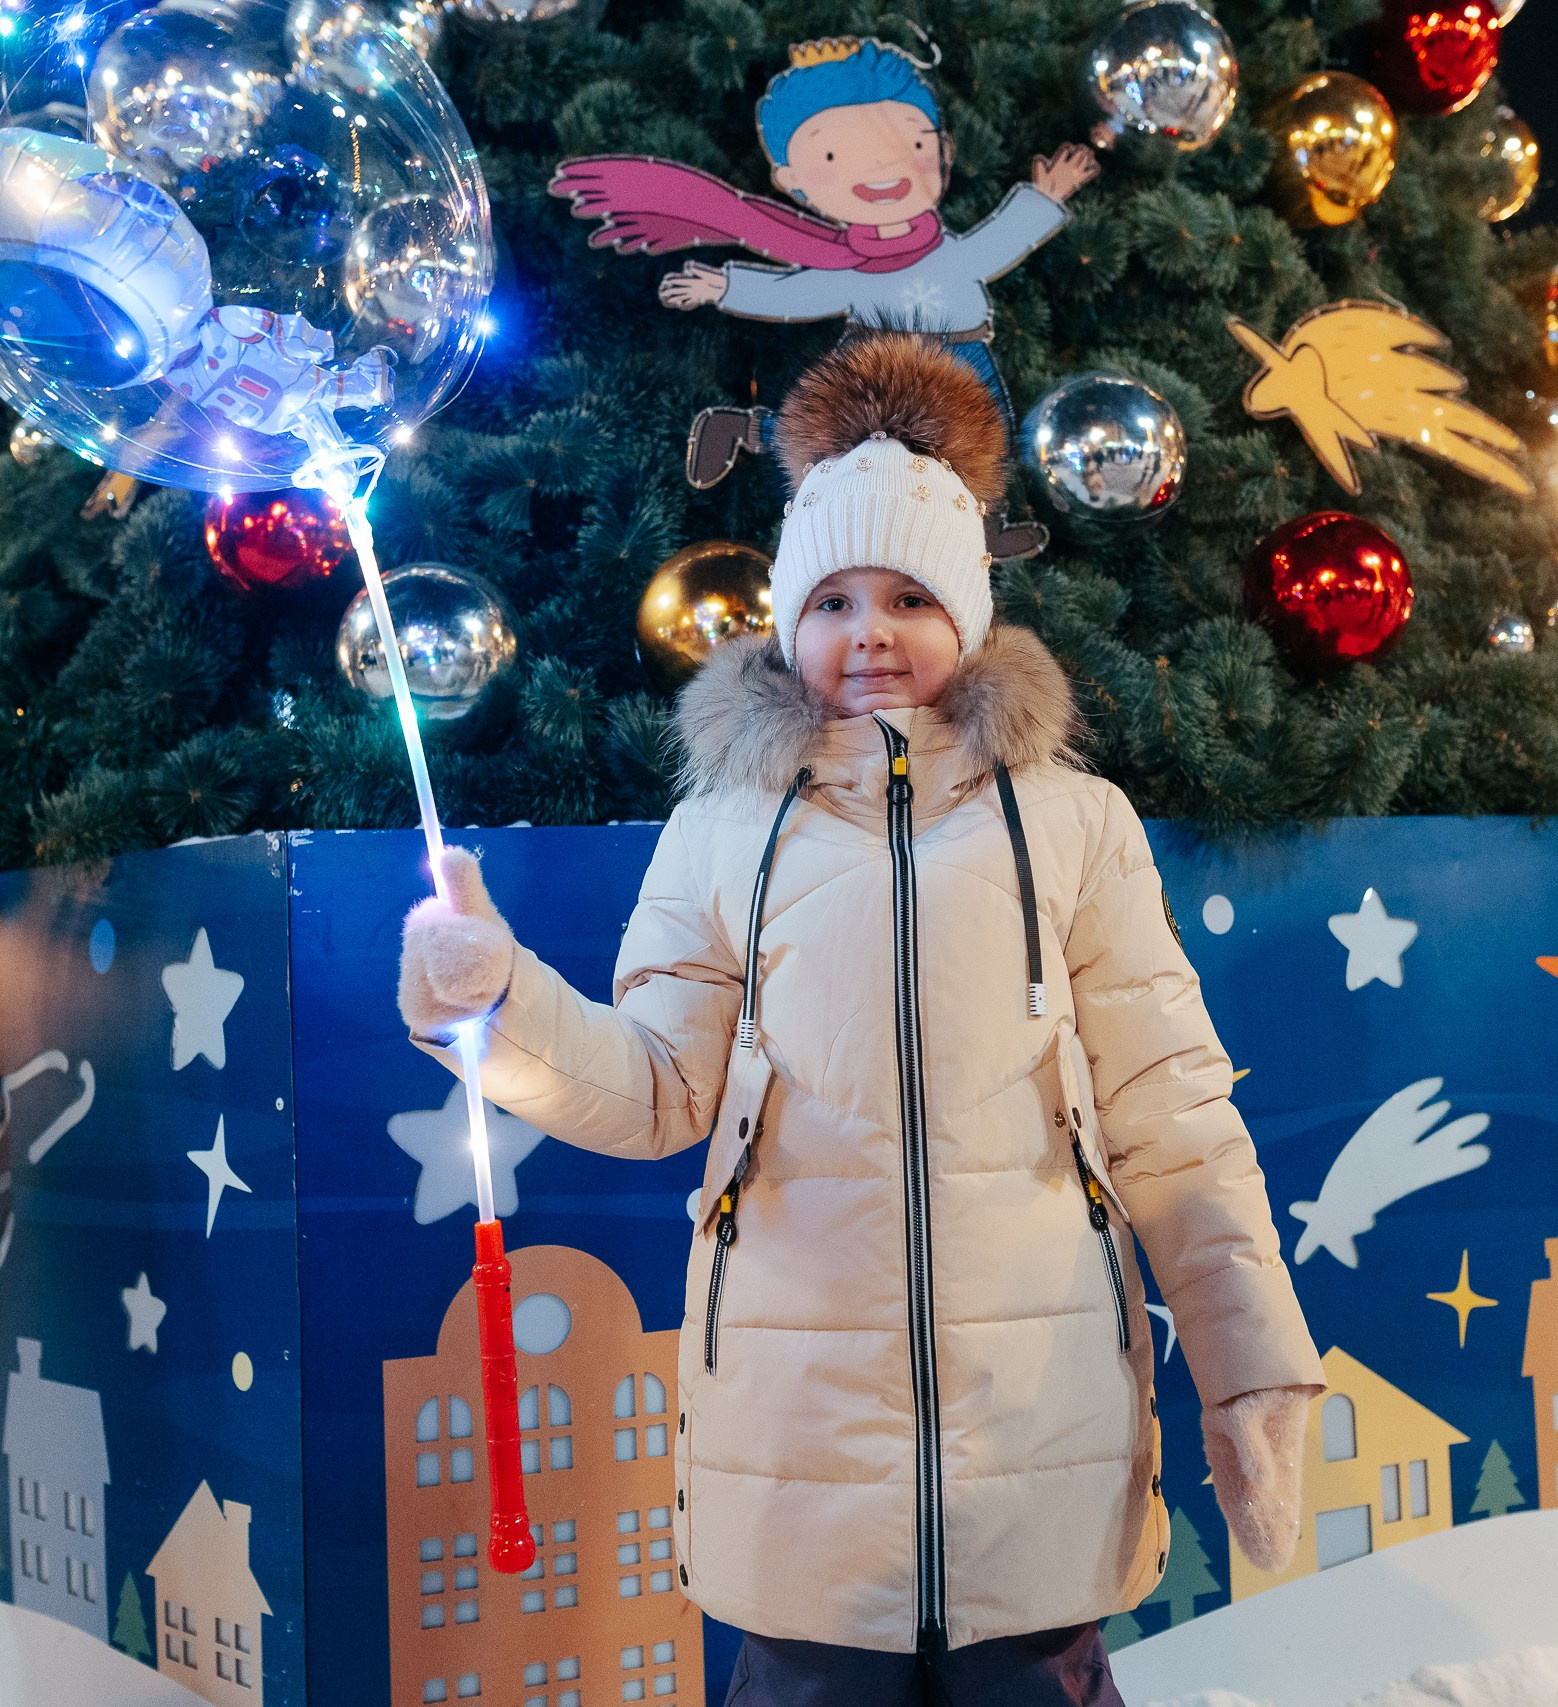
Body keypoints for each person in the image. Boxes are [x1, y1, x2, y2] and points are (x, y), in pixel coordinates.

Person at [396, 336, 1321, 1704]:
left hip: (1039, 1442)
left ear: (968, 612)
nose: (869, 632)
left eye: (905, 595)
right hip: (797, 1465)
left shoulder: (1072, 825)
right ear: (785, 621)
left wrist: (1251, 1369)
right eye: (830, 599)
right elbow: (653, 1089)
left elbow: (1175, 1120)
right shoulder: (721, 832)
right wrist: (497, 996)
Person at [550, 37, 1098, 558]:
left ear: (943, 149)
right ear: (791, 181)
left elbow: (993, 246)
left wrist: (1045, 196)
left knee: (989, 435)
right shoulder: (846, 268)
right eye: (837, 156)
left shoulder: (949, 252)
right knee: (830, 437)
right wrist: (722, 287)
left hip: (964, 354)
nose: (884, 169)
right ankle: (740, 428)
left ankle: (985, 530)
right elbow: (798, 291)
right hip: (874, 361)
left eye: (910, 145)